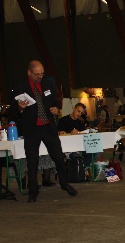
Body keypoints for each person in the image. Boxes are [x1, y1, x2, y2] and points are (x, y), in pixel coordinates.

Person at [9, 60, 77, 202]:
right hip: (31, 129)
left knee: (58, 157)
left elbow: (55, 101)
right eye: (37, 74)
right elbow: (13, 111)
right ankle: (33, 191)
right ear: (29, 72)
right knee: (32, 161)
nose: (40, 76)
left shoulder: (48, 83)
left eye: (42, 74)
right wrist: (20, 107)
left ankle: (65, 184)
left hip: (48, 127)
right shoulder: (20, 85)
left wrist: (56, 108)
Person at [58, 102, 99, 169]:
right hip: (68, 148)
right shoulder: (63, 120)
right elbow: (59, 134)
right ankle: (81, 170)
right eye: (78, 111)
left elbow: (84, 133)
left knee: (96, 153)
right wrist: (70, 133)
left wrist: (85, 132)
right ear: (74, 109)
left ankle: (82, 169)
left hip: (80, 146)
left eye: (81, 113)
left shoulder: (80, 122)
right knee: (75, 156)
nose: (79, 114)